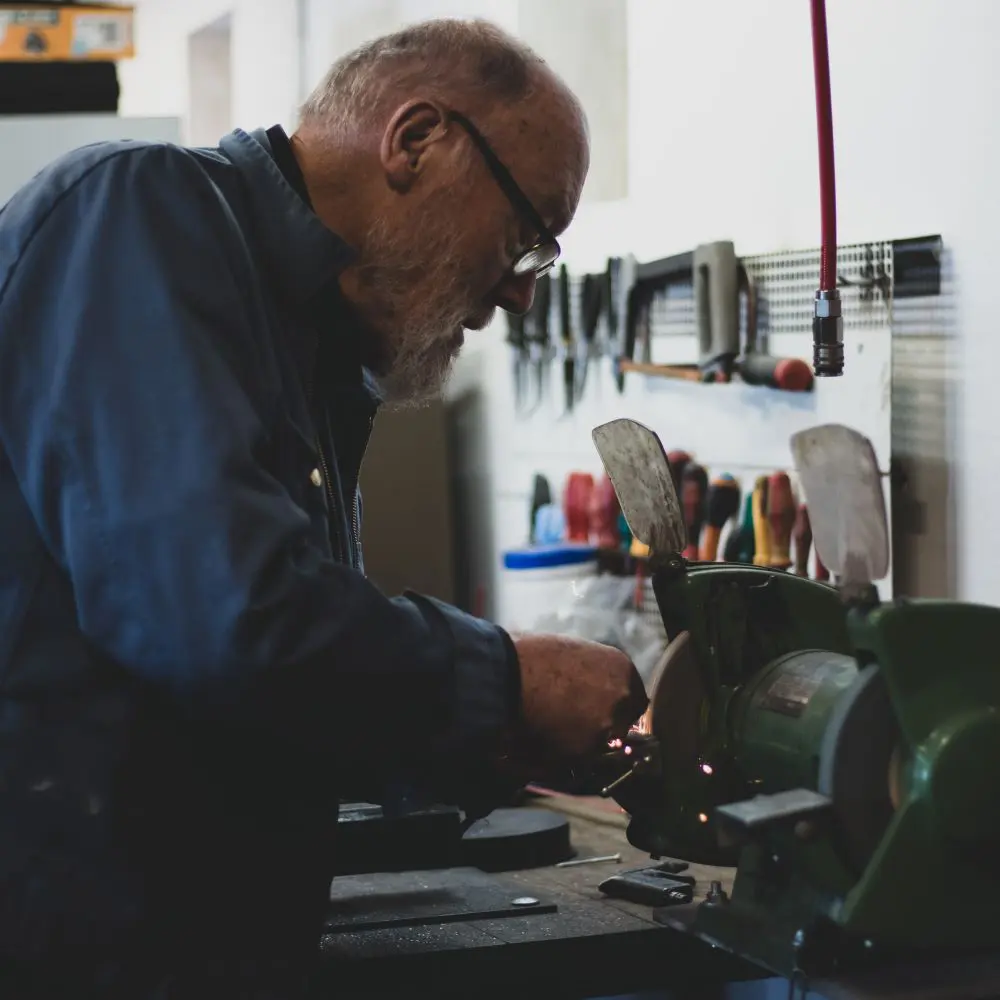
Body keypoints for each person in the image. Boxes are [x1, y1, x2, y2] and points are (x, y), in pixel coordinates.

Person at [0, 17, 647, 998]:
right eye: (525, 236)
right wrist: (504, 678)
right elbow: (224, 617)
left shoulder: (309, 344)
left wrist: (505, 740)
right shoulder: (137, 214)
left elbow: (280, 695)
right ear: (416, 139)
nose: (519, 294)